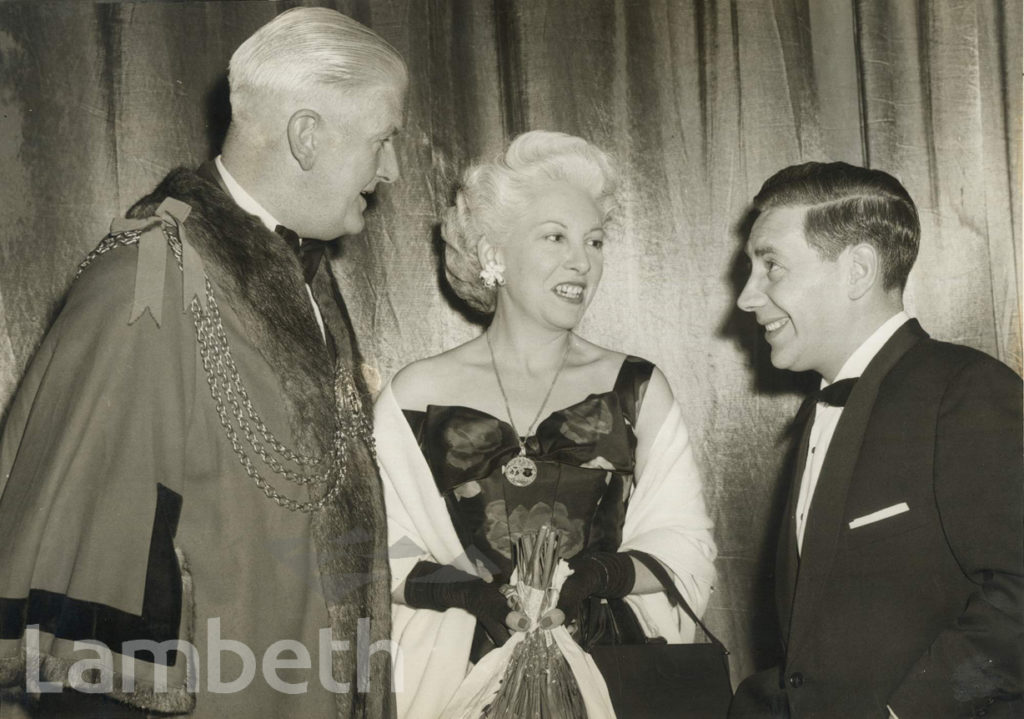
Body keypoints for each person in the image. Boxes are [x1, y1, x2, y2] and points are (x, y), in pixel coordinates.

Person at [0, 8, 406, 718]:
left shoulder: (307, 277)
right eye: (384, 139)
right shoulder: (147, 284)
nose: (392, 168)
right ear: (307, 136)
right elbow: (81, 636)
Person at [373, 130, 718, 717]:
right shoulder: (415, 395)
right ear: (493, 254)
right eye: (555, 236)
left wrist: (597, 577)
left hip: (611, 668)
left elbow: (686, 542)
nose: (582, 261)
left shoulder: (637, 388)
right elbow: (378, 551)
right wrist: (465, 594)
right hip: (460, 677)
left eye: (595, 240)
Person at [729, 162, 1023, 718]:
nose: (747, 297)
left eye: (771, 266)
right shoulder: (823, 405)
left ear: (858, 270)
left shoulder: (966, 391)